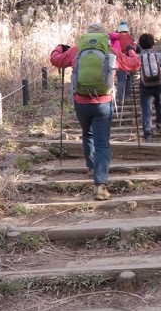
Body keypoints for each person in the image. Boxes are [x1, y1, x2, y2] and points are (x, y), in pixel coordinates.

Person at [50, 22, 140, 200]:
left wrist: (59, 47)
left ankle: (91, 166)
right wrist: (130, 50)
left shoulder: (77, 50)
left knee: (87, 133)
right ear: (104, 36)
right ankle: (100, 186)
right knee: (102, 143)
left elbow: (56, 60)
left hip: (81, 102)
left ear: (87, 35)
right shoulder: (109, 50)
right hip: (103, 102)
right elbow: (134, 65)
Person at [137, 32, 161, 142]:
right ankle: (160, 126)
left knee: (146, 109)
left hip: (145, 86)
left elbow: (134, 70)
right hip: (159, 84)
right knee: (159, 104)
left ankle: (148, 133)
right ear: (153, 45)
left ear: (140, 45)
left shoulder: (139, 57)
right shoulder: (158, 55)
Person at [109, 21, 136, 106]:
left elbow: (111, 48)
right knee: (128, 78)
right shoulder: (130, 37)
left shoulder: (116, 38)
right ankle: (127, 96)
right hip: (128, 59)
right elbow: (134, 48)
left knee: (121, 80)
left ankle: (121, 99)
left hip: (118, 60)